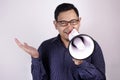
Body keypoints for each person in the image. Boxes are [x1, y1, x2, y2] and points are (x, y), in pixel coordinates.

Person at [15, 3, 106, 80]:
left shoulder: (91, 45)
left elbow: (101, 78)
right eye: (63, 23)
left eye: (73, 21)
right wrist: (35, 57)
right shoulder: (46, 46)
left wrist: (81, 64)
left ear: (79, 22)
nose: (69, 27)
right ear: (55, 25)